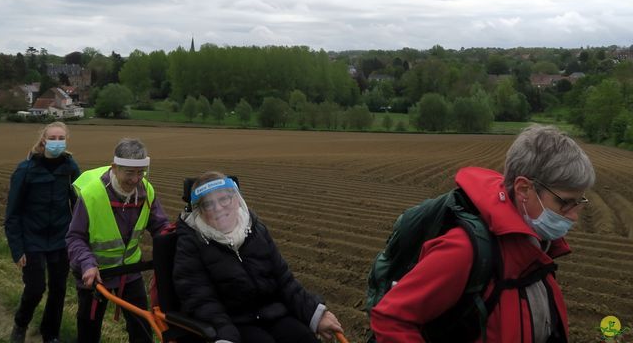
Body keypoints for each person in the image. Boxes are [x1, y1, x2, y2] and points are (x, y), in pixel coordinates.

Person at [370, 125, 595, 343]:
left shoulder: (537, 245)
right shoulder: (465, 250)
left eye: (579, 202)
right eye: (565, 202)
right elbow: (391, 317)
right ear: (523, 189)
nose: (573, 215)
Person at [173, 171, 344, 343]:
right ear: (199, 212)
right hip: (235, 324)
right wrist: (225, 336)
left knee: (304, 337)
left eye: (224, 199)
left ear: (235, 200)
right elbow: (201, 300)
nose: (218, 209)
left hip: (273, 314)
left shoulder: (256, 230)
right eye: (208, 204)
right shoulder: (191, 243)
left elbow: (284, 279)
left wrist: (315, 314)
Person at [66, 137, 169, 343]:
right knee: (89, 328)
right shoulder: (93, 195)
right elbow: (75, 237)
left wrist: (175, 245)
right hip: (95, 274)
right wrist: (87, 264)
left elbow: (160, 227)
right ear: (115, 167)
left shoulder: (146, 191)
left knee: (142, 328)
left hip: (129, 272)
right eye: (129, 173)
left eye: (141, 173)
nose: (135, 179)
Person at [5, 122, 81, 343]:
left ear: (66, 140)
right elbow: (12, 214)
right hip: (32, 239)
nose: (57, 142)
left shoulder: (70, 169)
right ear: (43, 140)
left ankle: (50, 334)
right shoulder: (25, 170)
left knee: (58, 290)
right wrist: (17, 249)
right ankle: (21, 323)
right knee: (36, 288)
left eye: (61, 138)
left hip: (61, 239)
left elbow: (79, 204)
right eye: (53, 138)